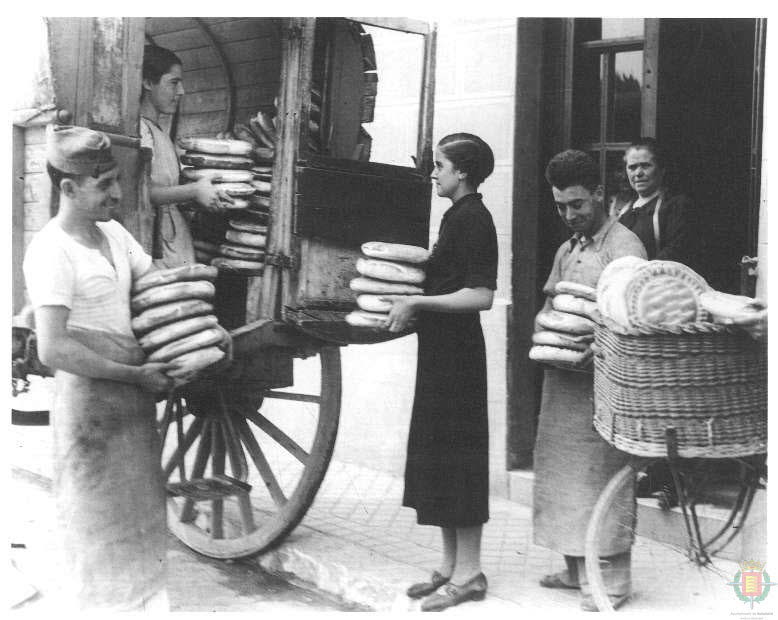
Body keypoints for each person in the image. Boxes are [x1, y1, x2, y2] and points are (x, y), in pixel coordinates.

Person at [22, 125, 173, 611]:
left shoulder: (114, 234)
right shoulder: (50, 251)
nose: (117, 193)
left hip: (131, 407)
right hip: (91, 412)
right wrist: (135, 375)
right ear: (68, 187)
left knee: (141, 524)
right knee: (97, 531)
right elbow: (54, 349)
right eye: (103, 184)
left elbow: (156, 285)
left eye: (116, 180)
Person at [383, 133, 498, 612]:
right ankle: (451, 567)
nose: (433, 173)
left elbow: (481, 295)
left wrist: (416, 300)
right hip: (442, 353)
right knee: (443, 458)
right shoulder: (456, 215)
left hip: (460, 357)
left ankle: (470, 573)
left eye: (439, 166)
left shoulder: (475, 219)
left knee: (460, 461)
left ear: (462, 173)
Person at [532, 150, 647, 612]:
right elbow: (550, 303)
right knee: (561, 474)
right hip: (562, 382)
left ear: (599, 194)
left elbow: (636, 321)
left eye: (577, 204)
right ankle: (576, 568)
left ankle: (612, 583)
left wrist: (596, 344)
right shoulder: (568, 249)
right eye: (560, 206)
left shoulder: (625, 247)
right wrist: (544, 328)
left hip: (604, 385)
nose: (569, 215)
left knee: (601, 477)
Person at [140, 44, 232, 267]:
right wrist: (193, 190)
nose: (181, 91)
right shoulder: (141, 131)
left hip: (170, 235)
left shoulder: (157, 130)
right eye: (173, 82)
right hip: (154, 240)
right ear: (148, 83)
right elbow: (142, 192)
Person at [617, 137, 697, 266]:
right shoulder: (624, 213)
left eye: (645, 166)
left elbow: (675, 253)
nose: (638, 173)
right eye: (632, 167)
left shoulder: (677, 206)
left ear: (661, 169)